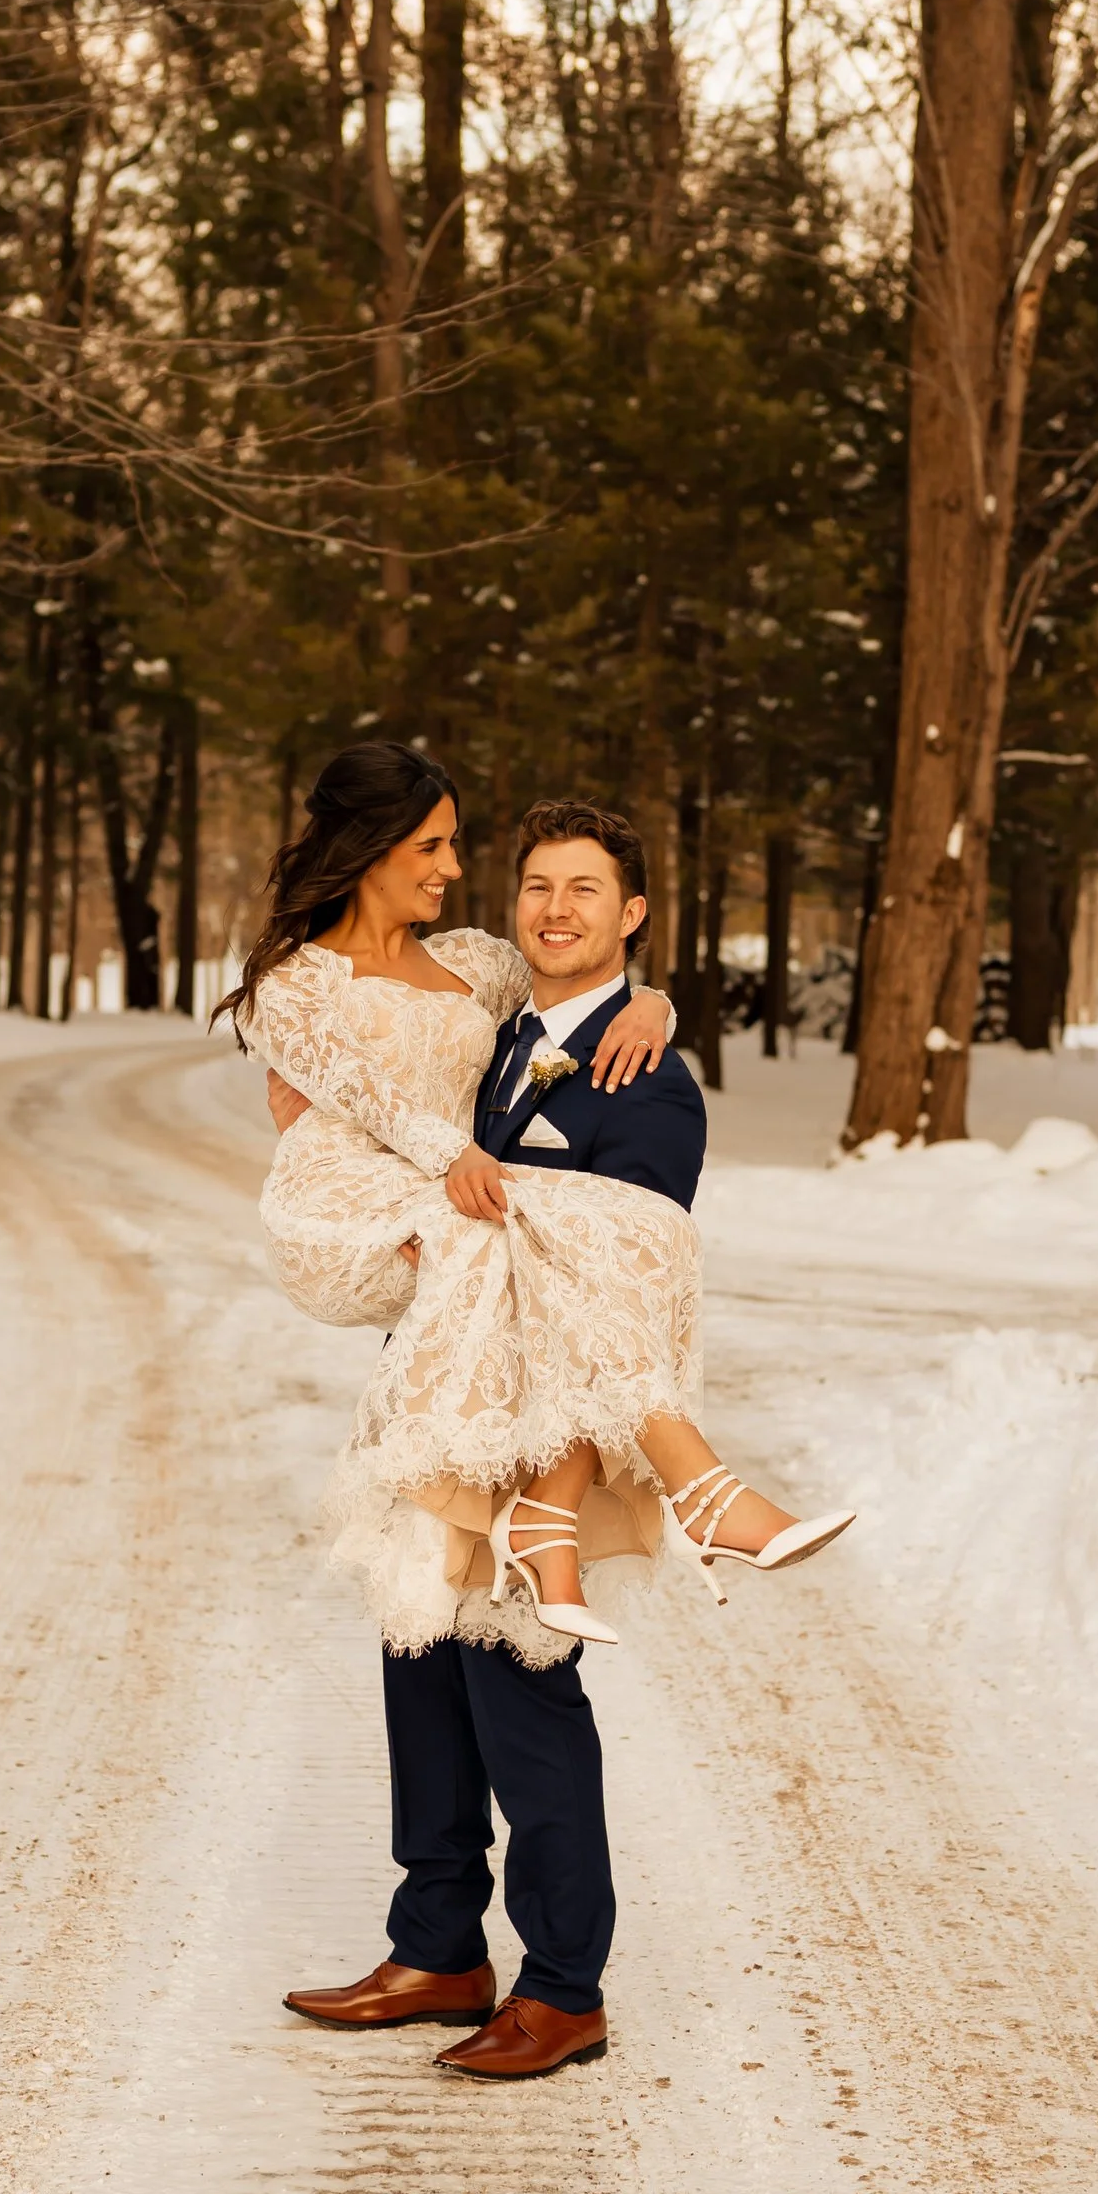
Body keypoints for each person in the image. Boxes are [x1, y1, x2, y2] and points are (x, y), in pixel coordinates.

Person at [228, 744, 849, 2080]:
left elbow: (630, 1247)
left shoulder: (640, 1073)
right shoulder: (501, 1015)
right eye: (525, 880)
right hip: (444, 1365)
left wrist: (662, 1005)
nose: (536, 903)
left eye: (586, 889)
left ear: (632, 912)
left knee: (521, 1680)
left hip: (535, 1421)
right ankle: (438, 1939)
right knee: (420, 1661)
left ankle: (566, 1979)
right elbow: (391, 1090)